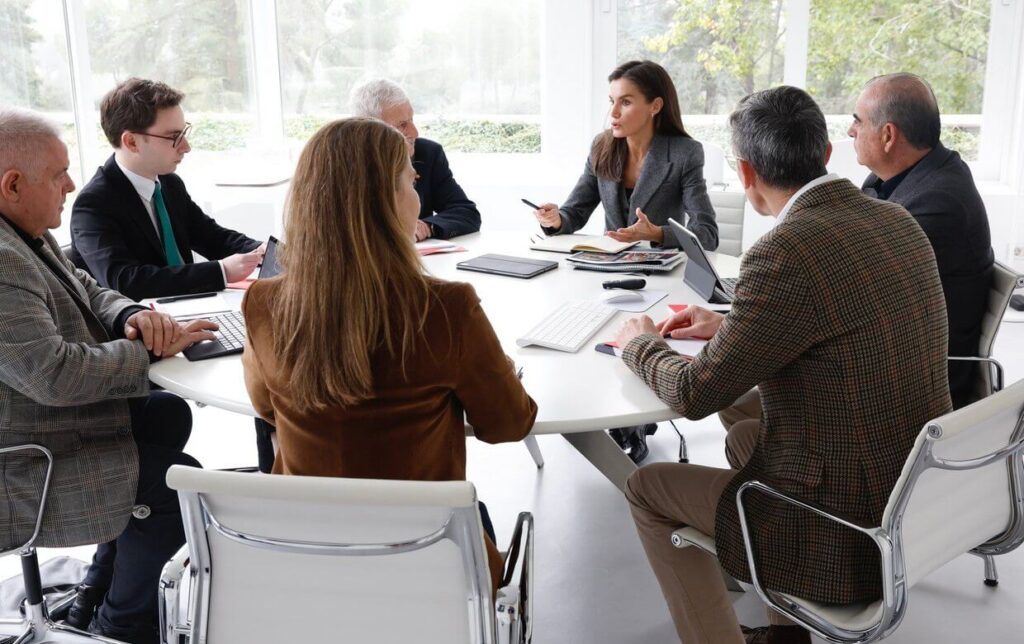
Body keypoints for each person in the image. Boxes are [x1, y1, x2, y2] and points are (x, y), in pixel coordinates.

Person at [615, 87, 950, 644]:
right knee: (749, 435)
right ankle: (785, 636)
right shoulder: (896, 221)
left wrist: (639, 345)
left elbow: (696, 395)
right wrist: (731, 325)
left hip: (847, 534)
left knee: (647, 487)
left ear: (745, 173)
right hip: (912, 499)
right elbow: (839, 322)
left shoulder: (787, 249)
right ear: (823, 153)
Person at [240, 117, 537, 589]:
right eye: (411, 182)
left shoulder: (263, 303)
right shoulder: (448, 308)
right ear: (388, 200)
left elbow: (265, 407)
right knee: (471, 509)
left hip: (305, 555)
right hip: (428, 561)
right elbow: (508, 425)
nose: (418, 196)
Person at [0, 109, 216, 644]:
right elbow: (52, 374)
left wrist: (130, 317)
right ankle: (121, 627)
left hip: (46, 424)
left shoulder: (23, 230)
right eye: (58, 175)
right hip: (24, 455)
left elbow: (87, 284)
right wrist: (141, 354)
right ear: (12, 184)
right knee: (175, 484)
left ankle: (95, 596)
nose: (71, 185)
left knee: (166, 414)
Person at [533, 59, 720, 463]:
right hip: (606, 271)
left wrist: (657, 234)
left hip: (659, 277)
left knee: (627, 335)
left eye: (626, 102)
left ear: (655, 106)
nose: (614, 113)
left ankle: (629, 425)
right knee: (578, 333)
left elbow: (706, 233)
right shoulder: (603, 146)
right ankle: (610, 415)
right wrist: (555, 218)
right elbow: (575, 210)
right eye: (612, 102)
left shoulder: (685, 153)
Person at [851, 72, 994, 409]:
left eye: (858, 121)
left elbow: (853, 290)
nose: (851, 131)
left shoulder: (937, 204)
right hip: (894, 356)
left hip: (914, 389)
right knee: (750, 402)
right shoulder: (904, 176)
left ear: (888, 136)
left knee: (752, 406)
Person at [70, 77, 265, 301]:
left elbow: (212, 237)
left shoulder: (170, 184)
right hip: (143, 326)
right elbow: (125, 282)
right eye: (174, 137)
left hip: (190, 310)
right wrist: (221, 271)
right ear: (131, 142)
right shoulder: (94, 204)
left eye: (184, 133)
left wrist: (262, 251)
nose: (186, 147)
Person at [349, 78, 481, 241]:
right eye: (402, 125)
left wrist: (426, 227)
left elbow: (466, 212)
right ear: (370, 129)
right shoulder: (344, 162)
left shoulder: (428, 154)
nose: (415, 132)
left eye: (412, 120)